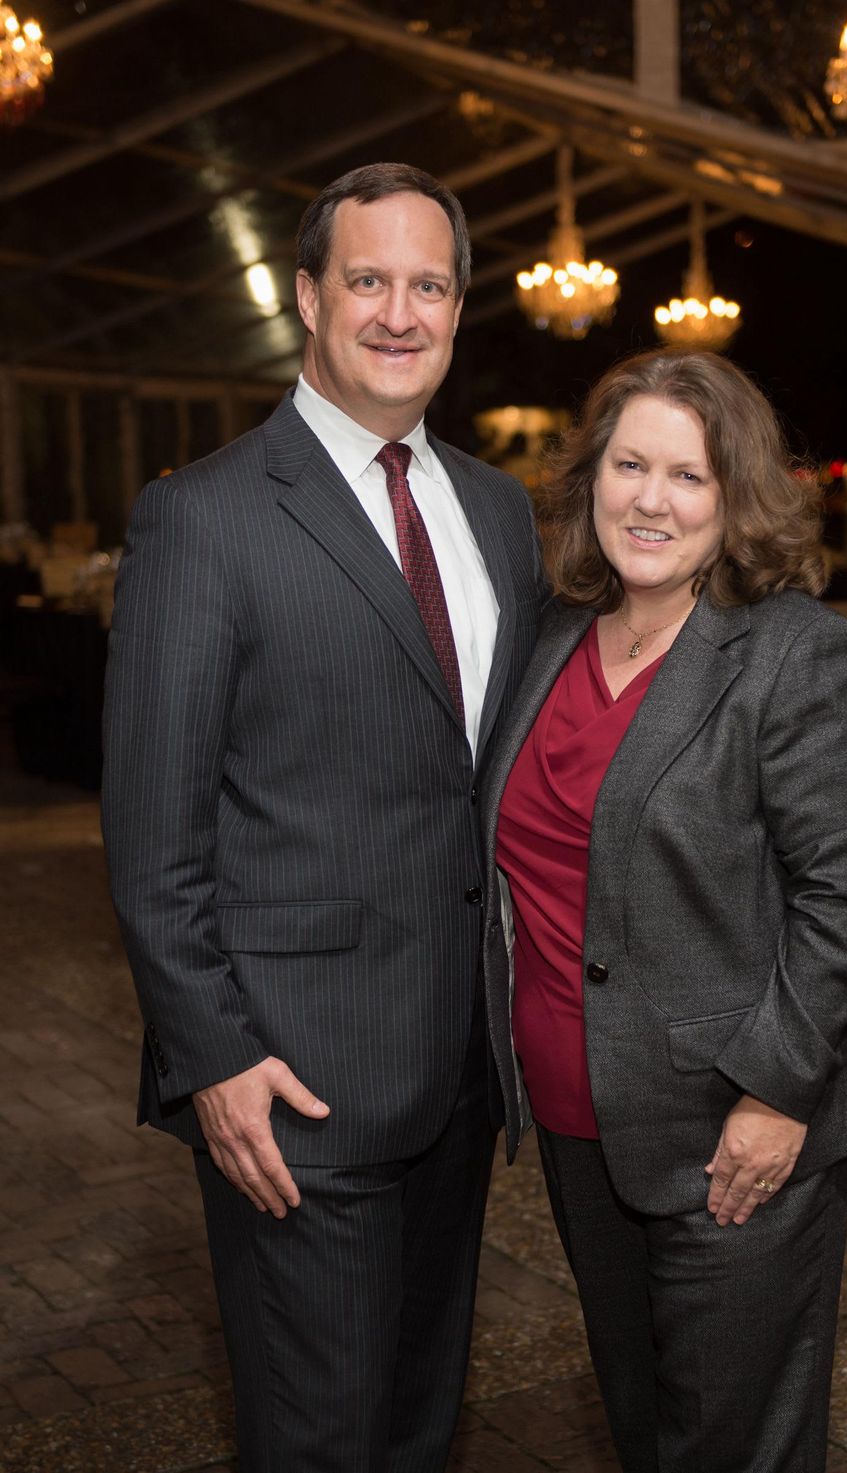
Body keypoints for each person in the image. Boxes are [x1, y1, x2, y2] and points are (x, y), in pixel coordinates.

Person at [102, 162, 544, 1473]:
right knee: (316, 1441)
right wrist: (213, 1055)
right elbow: (151, 834)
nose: (399, 313)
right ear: (308, 295)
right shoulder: (205, 517)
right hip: (294, 1080)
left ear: (462, 308)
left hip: (461, 1070)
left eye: (430, 283)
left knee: (418, 1423)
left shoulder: (500, 511)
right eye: (368, 280)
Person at [481, 349, 847, 1472]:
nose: (649, 500)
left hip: (735, 1131)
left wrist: (774, 1095)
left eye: (689, 475)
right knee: (639, 1420)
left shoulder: (795, 656)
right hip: (580, 1120)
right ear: (591, 478)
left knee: (729, 1442)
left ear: (737, 499)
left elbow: (842, 904)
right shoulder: (554, 634)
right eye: (628, 464)